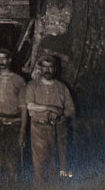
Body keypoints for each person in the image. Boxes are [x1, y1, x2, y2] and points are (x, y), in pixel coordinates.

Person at [25, 55, 75, 190]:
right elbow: (30, 106)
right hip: (39, 129)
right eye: (44, 67)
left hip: (58, 131)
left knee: (58, 166)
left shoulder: (62, 87)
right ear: (40, 69)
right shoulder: (32, 85)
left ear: (55, 69)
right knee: (39, 167)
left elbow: (71, 109)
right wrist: (50, 108)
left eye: (50, 67)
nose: (47, 70)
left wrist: (60, 115)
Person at [0, 48, 27, 185]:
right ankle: (0, 184)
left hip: (13, 124)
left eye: (4, 58)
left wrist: (22, 132)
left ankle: (12, 185)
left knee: (11, 160)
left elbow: (24, 108)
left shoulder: (19, 80)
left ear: (9, 60)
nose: (1, 61)